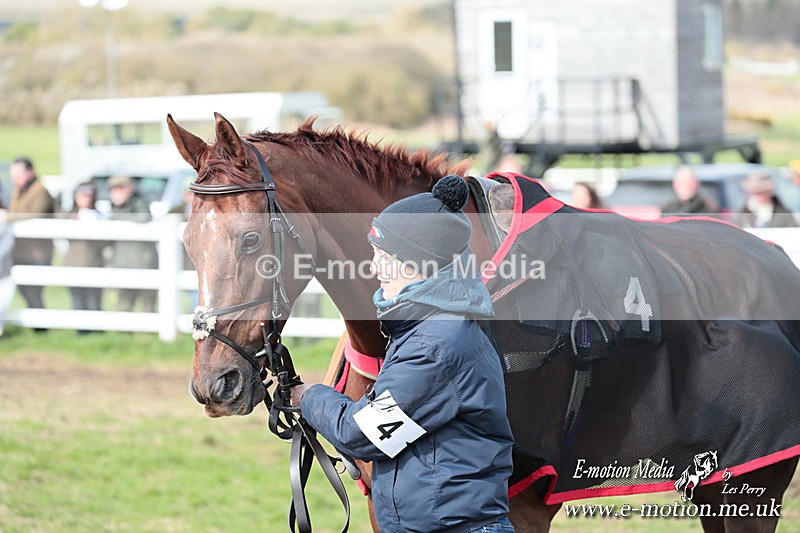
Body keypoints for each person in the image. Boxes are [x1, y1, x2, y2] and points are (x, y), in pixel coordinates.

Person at [290, 175, 515, 533]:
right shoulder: (429, 329)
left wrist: (308, 397)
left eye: (384, 256)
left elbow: (362, 433)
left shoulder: (435, 346)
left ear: (417, 266)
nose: (374, 267)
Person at [0, 157, 55, 317]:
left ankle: (40, 324)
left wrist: (7, 217)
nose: (14, 179)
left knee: (33, 291)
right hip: (22, 250)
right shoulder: (19, 189)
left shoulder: (40, 191)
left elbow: (35, 214)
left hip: (37, 252)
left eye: (18, 174)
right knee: (25, 291)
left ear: (30, 172)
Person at [107, 175, 158, 312]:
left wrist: (118, 218)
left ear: (129, 188)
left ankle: (148, 331)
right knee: (124, 303)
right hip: (122, 263)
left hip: (144, 262)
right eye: (114, 189)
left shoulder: (140, 202)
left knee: (148, 303)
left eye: (121, 188)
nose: (117, 192)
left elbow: (143, 218)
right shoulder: (112, 208)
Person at [64, 183, 108, 333]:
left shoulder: (100, 216)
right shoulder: (69, 216)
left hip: (94, 263)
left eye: (89, 195)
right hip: (73, 264)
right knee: (78, 300)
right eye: (83, 195)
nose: (86, 199)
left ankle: (96, 330)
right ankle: (81, 331)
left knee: (93, 300)